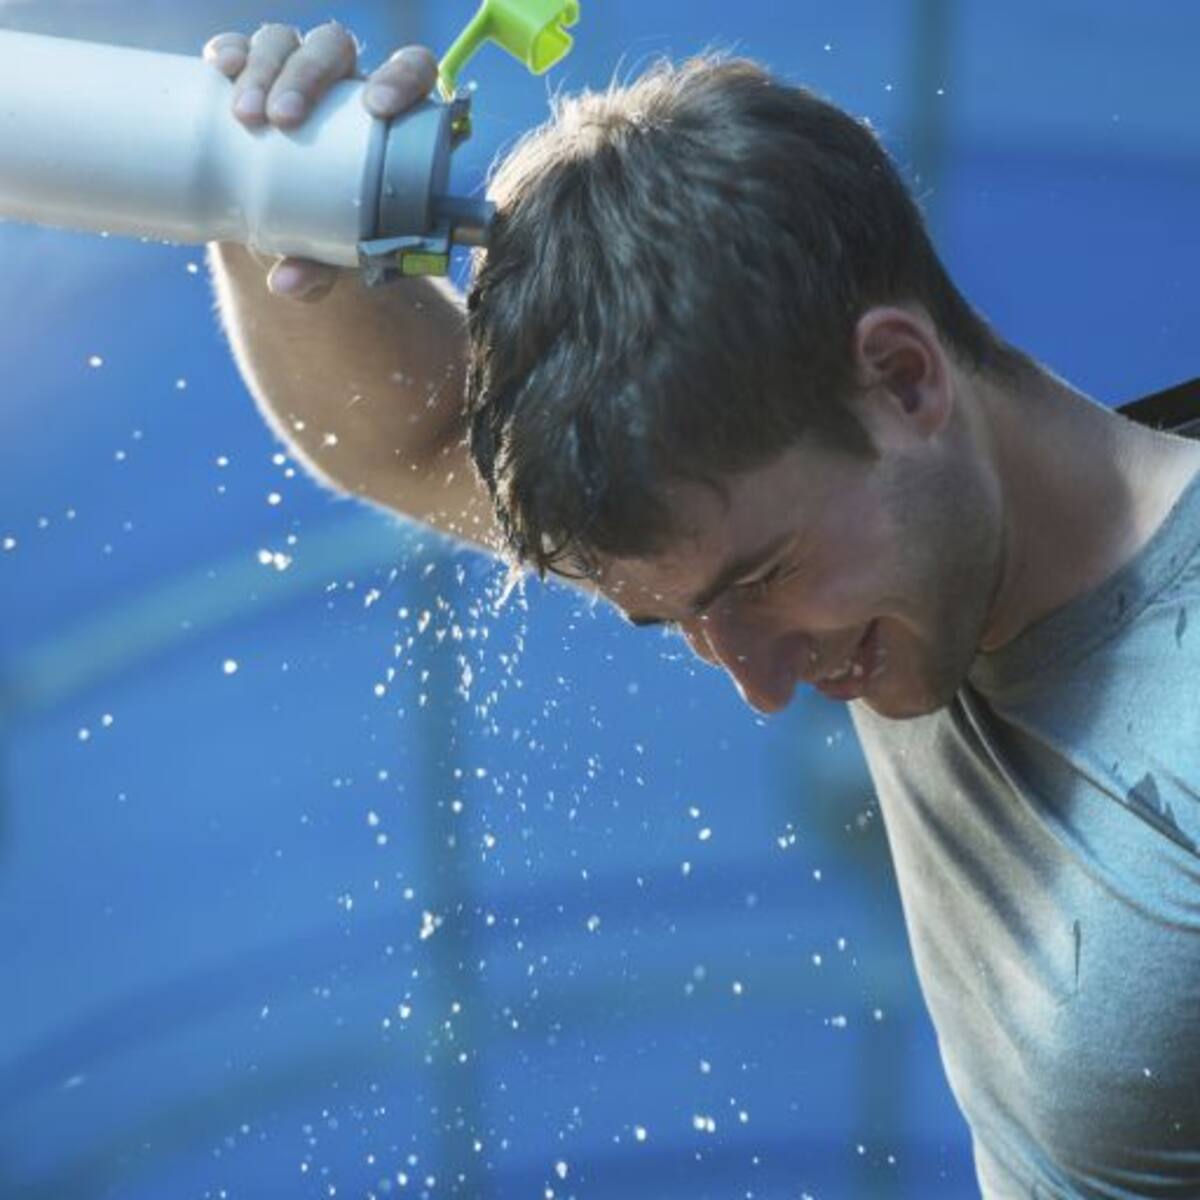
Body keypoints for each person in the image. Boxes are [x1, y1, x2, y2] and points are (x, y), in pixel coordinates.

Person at [203, 22, 1200, 1197]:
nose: (762, 684)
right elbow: (410, 440)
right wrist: (264, 199)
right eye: (679, 622)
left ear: (903, 377)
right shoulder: (877, 554)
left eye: (759, 580)